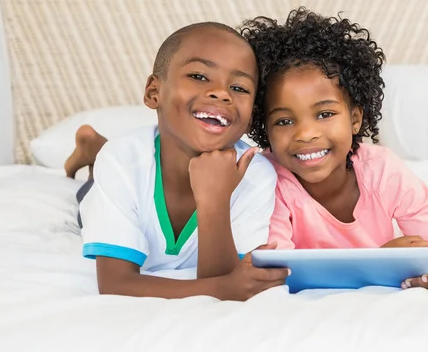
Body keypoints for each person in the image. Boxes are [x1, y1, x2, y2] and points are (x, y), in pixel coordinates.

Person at [240, 8, 428, 292]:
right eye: (284, 121)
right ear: (264, 128)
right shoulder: (267, 180)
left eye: (324, 114)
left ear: (355, 119)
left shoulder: (382, 170)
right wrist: (381, 263)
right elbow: (273, 270)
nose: (306, 134)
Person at [66, 22, 289, 300]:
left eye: (239, 87)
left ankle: (95, 147)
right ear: (153, 93)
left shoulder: (256, 174)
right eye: (198, 75)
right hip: (113, 176)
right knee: (88, 197)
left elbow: (228, 278)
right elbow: (115, 283)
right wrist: (223, 288)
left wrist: (213, 200)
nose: (222, 93)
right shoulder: (121, 162)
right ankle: (95, 150)